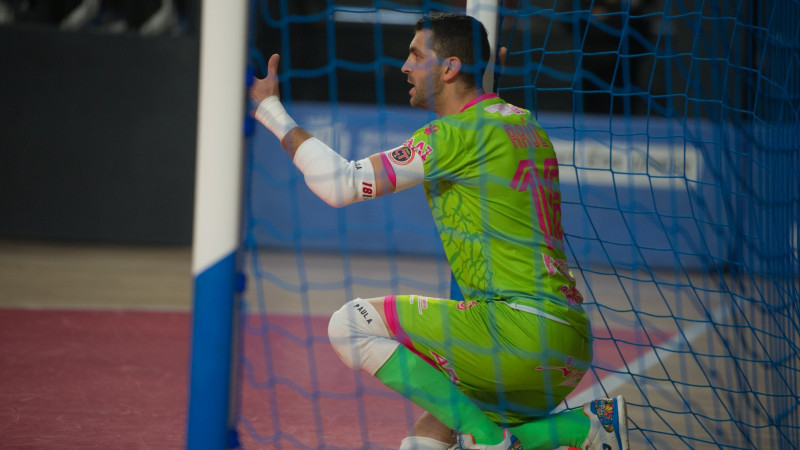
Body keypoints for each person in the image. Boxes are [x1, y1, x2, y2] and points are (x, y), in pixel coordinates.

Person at [250, 12, 629, 450]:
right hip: (566, 343)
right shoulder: (525, 124)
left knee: (350, 324)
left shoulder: (454, 135)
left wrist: (270, 110)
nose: (404, 67)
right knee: (427, 439)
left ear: (450, 68)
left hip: (516, 333)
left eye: (416, 55)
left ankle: (491, 440)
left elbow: (341, 184)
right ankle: (580, 428)